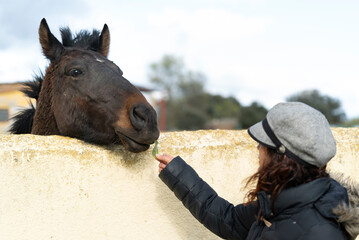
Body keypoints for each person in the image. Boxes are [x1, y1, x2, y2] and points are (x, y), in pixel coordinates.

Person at [155, 102, 359, 240]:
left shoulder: (320, 232)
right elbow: (230, 220)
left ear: (283, 158)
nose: (258, 149)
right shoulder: (284, 200)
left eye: (263, 145)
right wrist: (178, 173)